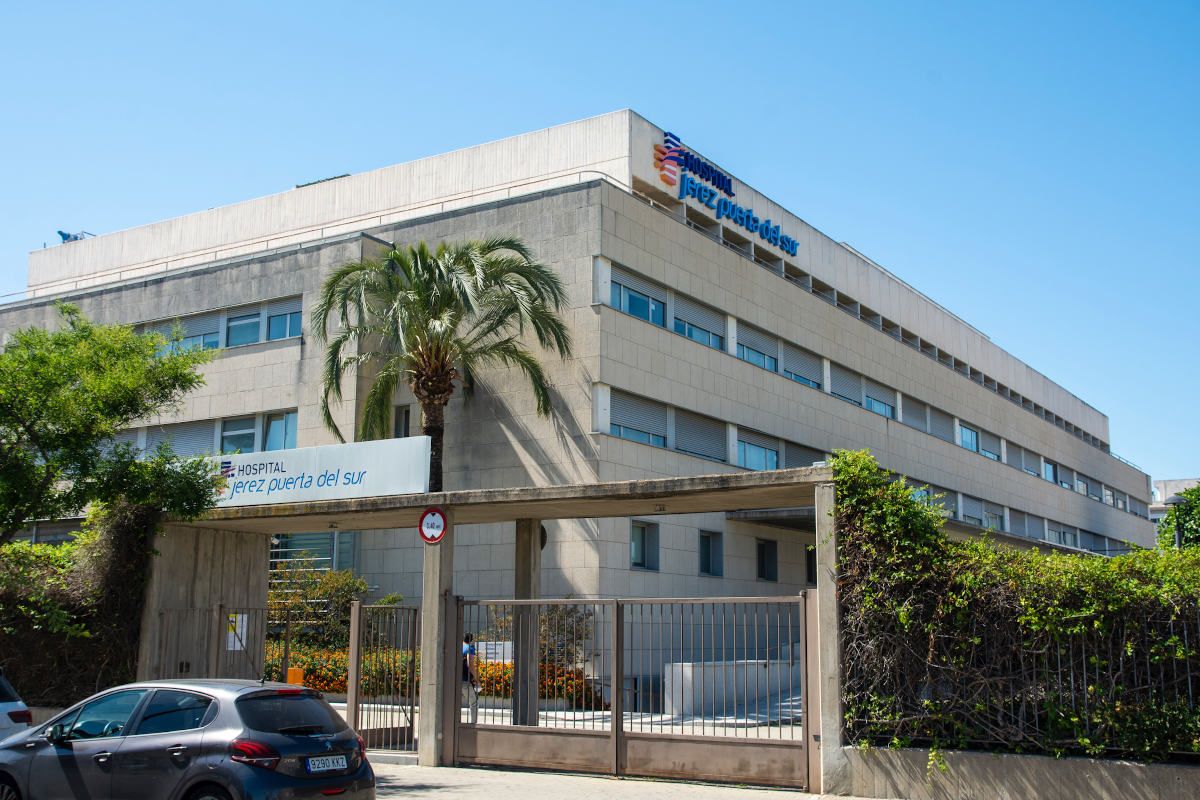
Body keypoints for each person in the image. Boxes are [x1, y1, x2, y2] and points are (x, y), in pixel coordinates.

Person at [462, 632, 480, 724]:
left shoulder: (458, 647)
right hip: (465, 680)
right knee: (474, 703)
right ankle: (473, 725)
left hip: (454, 680)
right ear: (471, 640)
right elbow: (470, 665)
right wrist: (477, 678)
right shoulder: (469, 649)